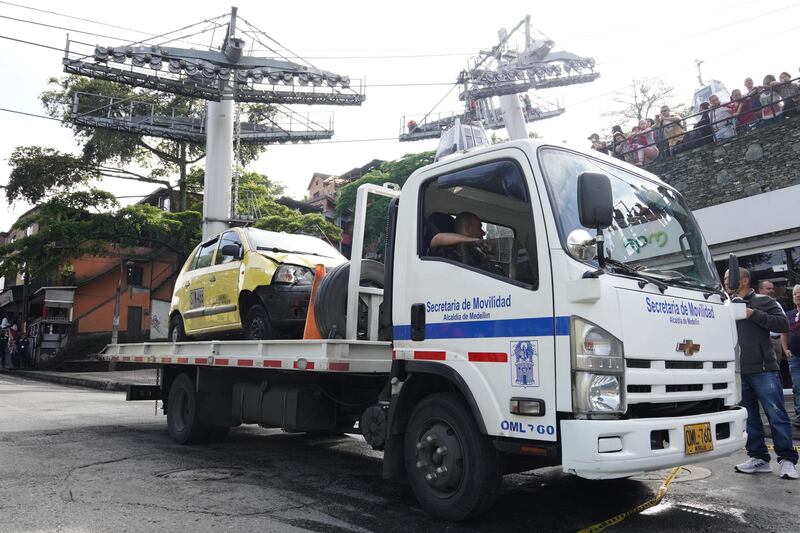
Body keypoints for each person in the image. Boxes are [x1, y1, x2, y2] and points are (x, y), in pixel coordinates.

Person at [725, 268, 798, 480]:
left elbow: (783, 324)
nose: (727, 281)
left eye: (731, 278)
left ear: (745, 279)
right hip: (739, 371)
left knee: (776, 415)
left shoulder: (763, 301)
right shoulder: (726, 305)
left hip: (764, 370)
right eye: (726, 278)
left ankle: (787, 460)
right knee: (750, 419)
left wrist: (752, 314)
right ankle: (759, 458)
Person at [759, 280, 791, 388]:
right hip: (767, 340)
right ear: (760, 290)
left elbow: (784, 323)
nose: (771, 291)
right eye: (768, 289)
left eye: (772, 288)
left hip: (779, 340)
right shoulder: (757, 303)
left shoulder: (776, 303)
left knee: (777, 370)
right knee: (769, 372)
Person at [780, 284, 800, 428]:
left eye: (799, 293)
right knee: (798, 386)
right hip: (795, 358)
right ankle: (799, 415)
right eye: (795, 294)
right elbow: (784, 333)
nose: (797, 296)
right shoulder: (789, 315)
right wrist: (785, 349)